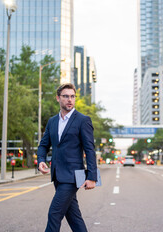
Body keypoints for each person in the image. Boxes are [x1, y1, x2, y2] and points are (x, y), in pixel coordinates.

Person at [37, 83, 97, 232]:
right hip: (57, 174)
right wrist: (41, 160)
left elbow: (90, 149)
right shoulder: (52, 121)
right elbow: (43, 145)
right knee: (73, 217)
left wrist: (92, 177)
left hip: (73, 176)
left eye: (72, 96)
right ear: (58, 98)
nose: (70, 99)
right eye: (65, 96)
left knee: (54, 213)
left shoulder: (83, 120)